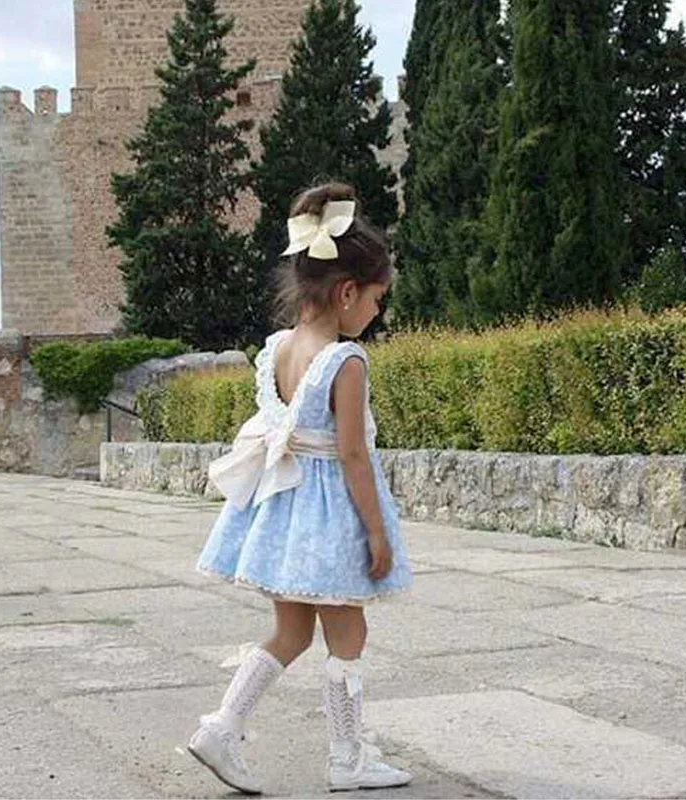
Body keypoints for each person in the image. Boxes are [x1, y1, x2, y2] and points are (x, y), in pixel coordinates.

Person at [187, 182, 414, 795]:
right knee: (349, 634)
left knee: (290, 632)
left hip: (284, 510)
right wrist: (376, 532)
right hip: (330, 517)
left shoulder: (278, 350)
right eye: (376, 300)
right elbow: (352, 454)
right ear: (348, 292)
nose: (376, 313)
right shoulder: (346, 361)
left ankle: (222, 726)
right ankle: (347, 758)